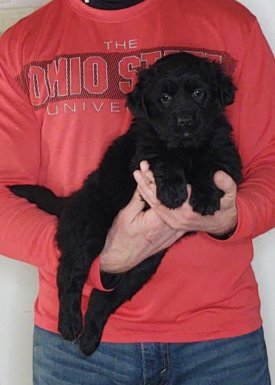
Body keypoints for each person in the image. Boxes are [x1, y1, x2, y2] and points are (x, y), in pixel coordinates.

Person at [0, 0, 274, 384]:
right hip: (76, 351)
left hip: (219, 340)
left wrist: (235, 215)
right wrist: (102, 254)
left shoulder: (232, 23)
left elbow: (271, 159)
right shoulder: (21, 44)